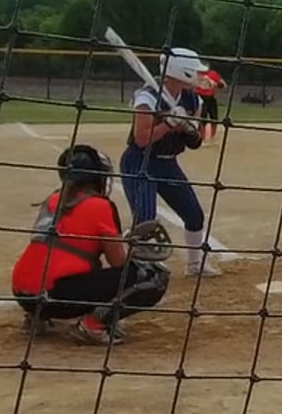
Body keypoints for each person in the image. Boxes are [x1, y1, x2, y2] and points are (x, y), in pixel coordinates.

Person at [11, 144, 171, 345]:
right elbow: (118, 262)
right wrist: (131, 249)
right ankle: (93, 325)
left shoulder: (53, 199)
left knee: (69, 261)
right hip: (55, 298)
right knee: (153, 276)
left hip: (23, 294)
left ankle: (35, 319)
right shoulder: (100, 205)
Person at [122, 48, 221, 277]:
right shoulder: (147, 96)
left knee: (194, 214)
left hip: (168, 163)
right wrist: (168, 123)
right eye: (194, 71)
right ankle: (135, 260)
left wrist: (189, 129)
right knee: (145, 218)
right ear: (181, 71)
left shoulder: (192, 99)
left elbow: (195, 143)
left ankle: (195, 265)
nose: (198, 75)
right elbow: (141, 138)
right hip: (139, 162)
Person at [194, 68, 224, 144]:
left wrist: (217, 84)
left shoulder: (212, 73)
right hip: (200, 97)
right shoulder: (197, 73)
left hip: (210, 98)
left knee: (214, 118)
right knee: (202, 118)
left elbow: (222, 84)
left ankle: (212, 139)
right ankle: (202, 138)